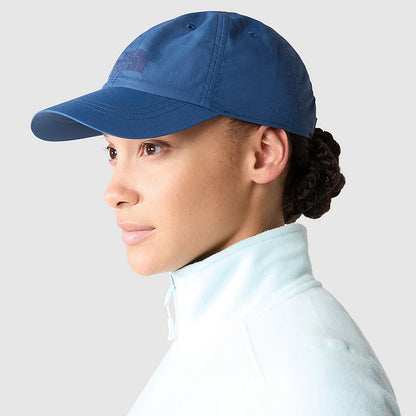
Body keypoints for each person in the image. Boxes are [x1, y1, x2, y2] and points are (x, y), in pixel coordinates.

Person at [30, 10, 401, 416]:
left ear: (263, 155)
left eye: (152, 148)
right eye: (113, 152)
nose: (113, 192)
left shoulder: (311, 379)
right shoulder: (217, 346)